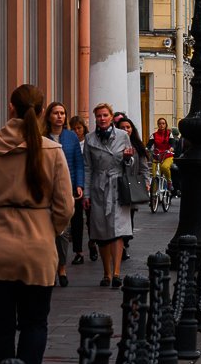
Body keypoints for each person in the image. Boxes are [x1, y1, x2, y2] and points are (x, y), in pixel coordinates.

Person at [0, 83, 73, 364]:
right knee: (35, 324)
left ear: (11, 108)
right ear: (41, 112)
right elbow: (65, 207)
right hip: (37, 250)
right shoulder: (52, 150)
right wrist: (47, 232)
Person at [83, 103, 144, 288]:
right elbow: (88, 168)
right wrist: (86, 193)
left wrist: (127, 158)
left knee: (118, 230)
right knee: (101, 232)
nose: (102, 119)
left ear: (111, 117)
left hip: (117, 186)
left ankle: (117, 272)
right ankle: (106, 273)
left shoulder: (123, 136)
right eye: (98, 116)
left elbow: (131, 163)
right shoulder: (90, 139)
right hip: (98, 187)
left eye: (105, 115)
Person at [45, 102, 84, 288]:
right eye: (55, 113)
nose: (59, 116)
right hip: (46, 189)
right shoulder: (42, 136)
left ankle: (61, 266)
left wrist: (79, 184)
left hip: (66, 188)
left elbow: (78, 163)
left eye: (62, 113)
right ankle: (49, 267)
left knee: (63, 230)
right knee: (46, 230)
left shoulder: (71, 137)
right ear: (49, 116)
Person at [113, 115, 146, 261]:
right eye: (122, 128)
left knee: (129, 216)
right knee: (119, 216)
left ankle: (125, 244)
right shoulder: (114, 145)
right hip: (117, 184)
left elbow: (144, 168)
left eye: (128, 127)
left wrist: (147, 181)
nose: (126, 130)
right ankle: (118, 244)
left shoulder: (137, 146)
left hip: (131, 185)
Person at [69, 115, 97, 263]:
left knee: (91, 218)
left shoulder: (89, 141)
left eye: (78, 128)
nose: (76, 131)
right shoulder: (69, 142)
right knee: (76, 219)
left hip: (89, 184)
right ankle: (78, 252)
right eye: (73, 129)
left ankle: (92, 243)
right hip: (74, 184)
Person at [149, 117, 175, 197]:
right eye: (160, 123)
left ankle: (169, 182)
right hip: (157, 156)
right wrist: (146, 149)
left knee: (164, 167)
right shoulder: (154, 135)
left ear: (165, 125)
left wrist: (171, 148)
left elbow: (172, 144)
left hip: (167, 155)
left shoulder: (169, 134)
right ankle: (153, 195)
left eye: (163, 123)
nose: (161, 125)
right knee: (154, 174)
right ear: (158, 125)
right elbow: (149, 144)